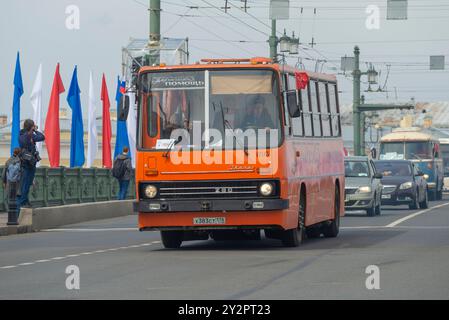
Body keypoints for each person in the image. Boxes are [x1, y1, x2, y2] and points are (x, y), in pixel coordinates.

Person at [17, 119, 45, 210]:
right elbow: (42, 137)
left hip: (25, 162)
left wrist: (32, 131)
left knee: (26, 183)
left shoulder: (21, 135)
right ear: (32, 127)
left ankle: (25, 201)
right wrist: (36, 131)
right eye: (33, 126)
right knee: (26, 183)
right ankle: (23, 202)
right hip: (29, 163)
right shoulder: (30, 136)